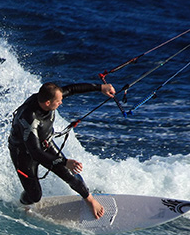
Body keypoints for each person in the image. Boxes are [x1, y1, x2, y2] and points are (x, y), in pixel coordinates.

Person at [9, 81, 115, 219]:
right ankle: (22, 205)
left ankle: (89, 200)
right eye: (58, 101)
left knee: (71, 175)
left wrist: (100, 87)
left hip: (45, 145)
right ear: (47, 103)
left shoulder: (48, 96)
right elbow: (35, 152)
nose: (61, 103)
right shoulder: (30, 119)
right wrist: (64, 162)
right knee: (34, 196)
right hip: (23, 154)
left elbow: (71, 89)